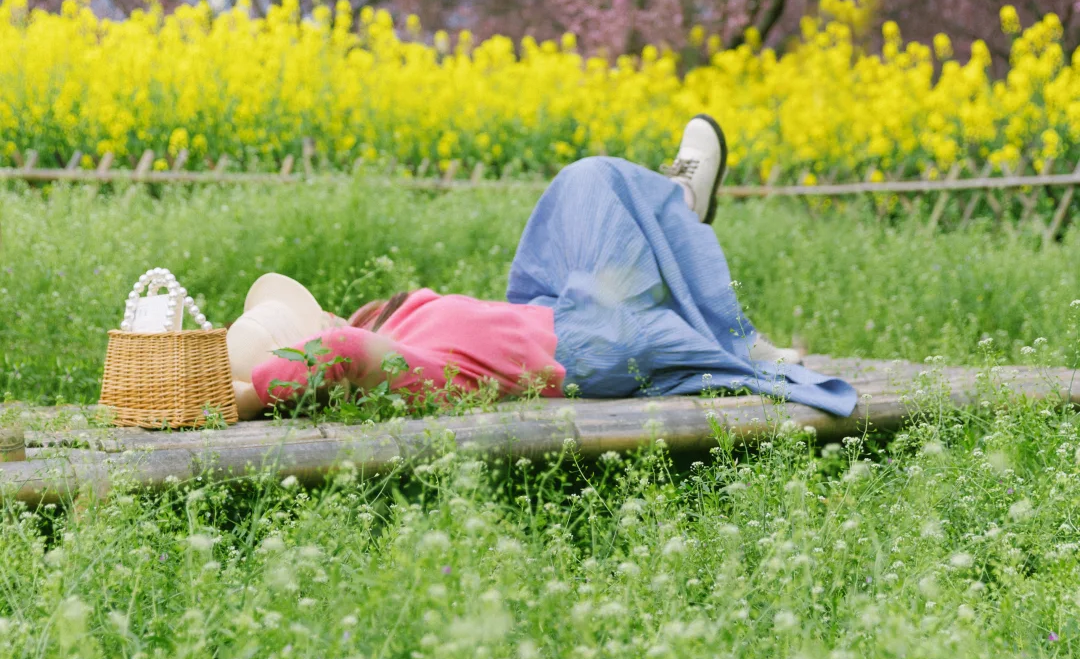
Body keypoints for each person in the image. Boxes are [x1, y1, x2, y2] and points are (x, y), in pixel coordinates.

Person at [227, 116, 858, 419]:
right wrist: (256, 389)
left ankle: (675, 215)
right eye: (318, 319)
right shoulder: (395, 369)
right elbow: (340, 350)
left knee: (575, 197)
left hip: (557, 314)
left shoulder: (407, 335)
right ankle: (684, 208)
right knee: (594, 182)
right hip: (585, 346)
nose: (333, 316)